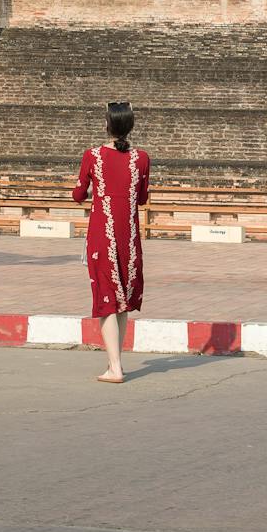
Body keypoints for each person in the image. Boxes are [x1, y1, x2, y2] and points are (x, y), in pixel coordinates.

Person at [70, 102, 151, 384]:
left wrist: (92, 188)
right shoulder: (141, 158)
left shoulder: (92, 156)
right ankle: (116, 363)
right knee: (122, 301)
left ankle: (114, 367)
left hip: (102, 235)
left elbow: (78, 194)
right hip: (128, 236)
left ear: (107, 125)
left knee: (107, 298)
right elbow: (142, 198)